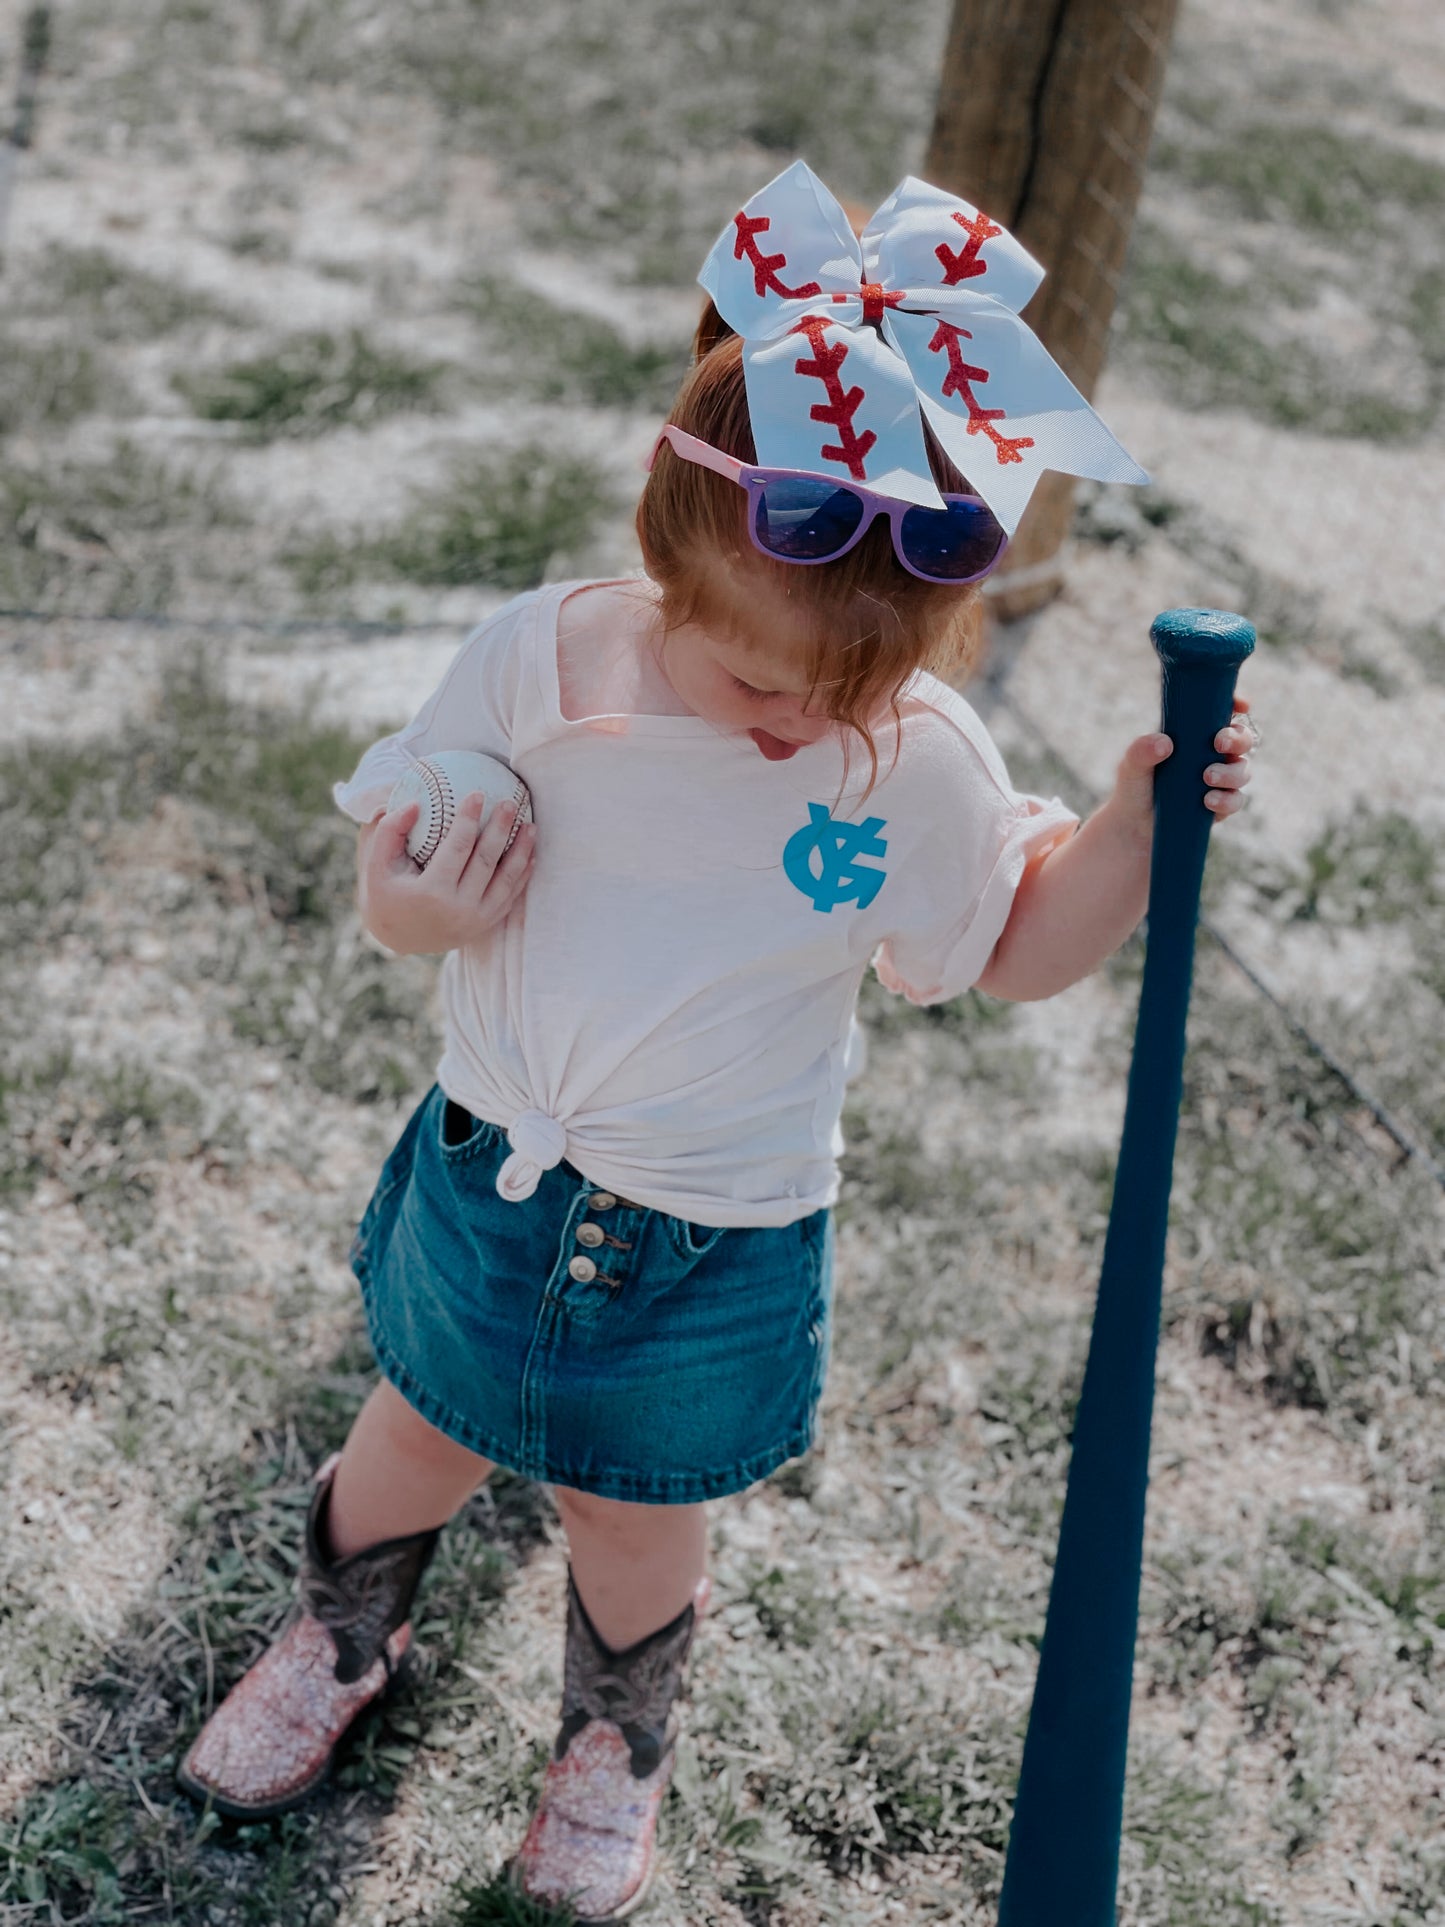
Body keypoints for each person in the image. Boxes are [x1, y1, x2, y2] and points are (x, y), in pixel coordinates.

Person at [176, 162, 1258, 1922]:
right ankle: (339, 1639)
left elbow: (1004, 949)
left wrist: (1132, 827)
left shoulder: (908, 758)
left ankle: (611, 1753)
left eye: (847, 698)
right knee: (414, 1436)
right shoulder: (539, 664)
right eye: (761, 687)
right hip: (489, 1170)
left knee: (626, 1517)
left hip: (715, 1232)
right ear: (667, 548)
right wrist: (436, 907)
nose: (795, 731)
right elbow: (396, 892)